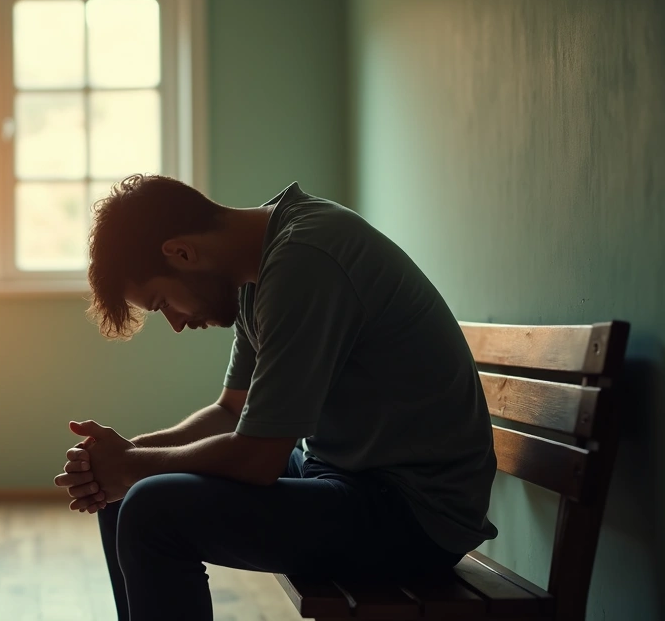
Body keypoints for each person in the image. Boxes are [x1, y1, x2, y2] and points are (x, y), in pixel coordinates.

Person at [53, 175, 498, 621]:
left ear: (182, 253)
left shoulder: (304, 260)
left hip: (415, 514)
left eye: (162, 302)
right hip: (347, 478)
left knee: (150, 511)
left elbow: (258, 459)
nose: (177, 323)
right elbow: (231, 412)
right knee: (125, 496)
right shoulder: (258, 264)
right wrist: (126, 454)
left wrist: (130, 466)